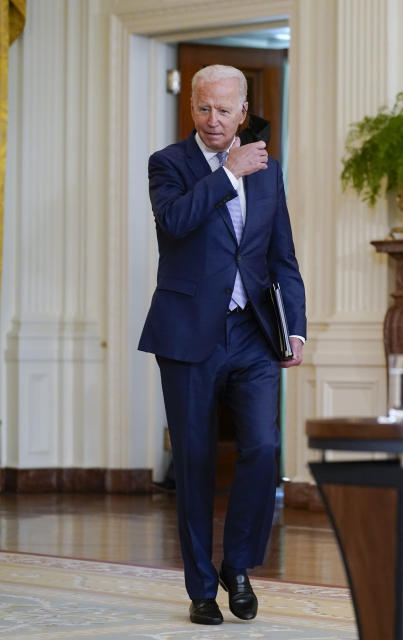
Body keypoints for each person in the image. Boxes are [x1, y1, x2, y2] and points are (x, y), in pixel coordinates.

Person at [138, 64, 306, 625]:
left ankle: (238, 566)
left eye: (225, 110)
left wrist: (295, 326)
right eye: (204, 108)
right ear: (192, 107)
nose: (214, 120)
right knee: (195, 460)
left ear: (243, 110)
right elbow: (176, 221)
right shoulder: (169, 164)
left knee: (261, 448)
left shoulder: (268, 168)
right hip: (188, 333)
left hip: (253, 333)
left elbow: (280, 254)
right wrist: (227, 173)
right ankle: (201, 588)